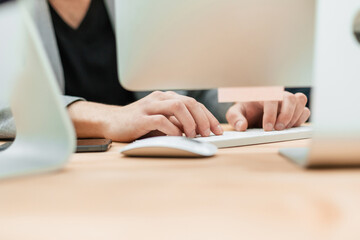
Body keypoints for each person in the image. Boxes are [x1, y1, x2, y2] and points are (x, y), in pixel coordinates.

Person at [0, 0, 310, 142]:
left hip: (149, 179)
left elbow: (194, 89)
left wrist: (245, 101)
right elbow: (5, 108)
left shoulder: (140, 8)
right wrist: (113, 117)